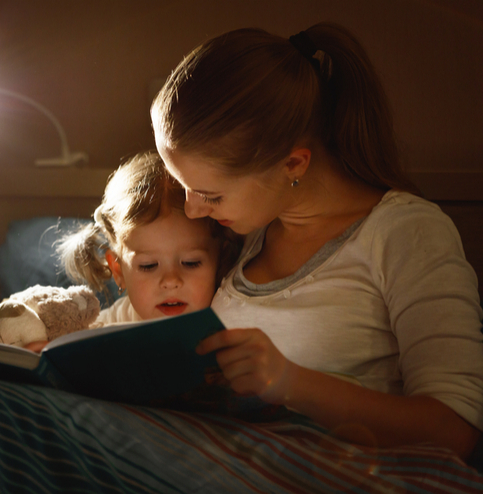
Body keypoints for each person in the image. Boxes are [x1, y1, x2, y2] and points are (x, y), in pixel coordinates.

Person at [151, 22, 483, 461]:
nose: (194, 211)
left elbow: (455, 432)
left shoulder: (406, 232)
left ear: (293, 163)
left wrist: (290, 382)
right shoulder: (250, 235)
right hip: (216, 455)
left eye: (211, 195)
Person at [57, 151, 241, 326]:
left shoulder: (232, 320)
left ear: (220, 260)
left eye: (190, 263)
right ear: (118, 270)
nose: (170, 281)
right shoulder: (108, 325)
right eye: (148, 266)